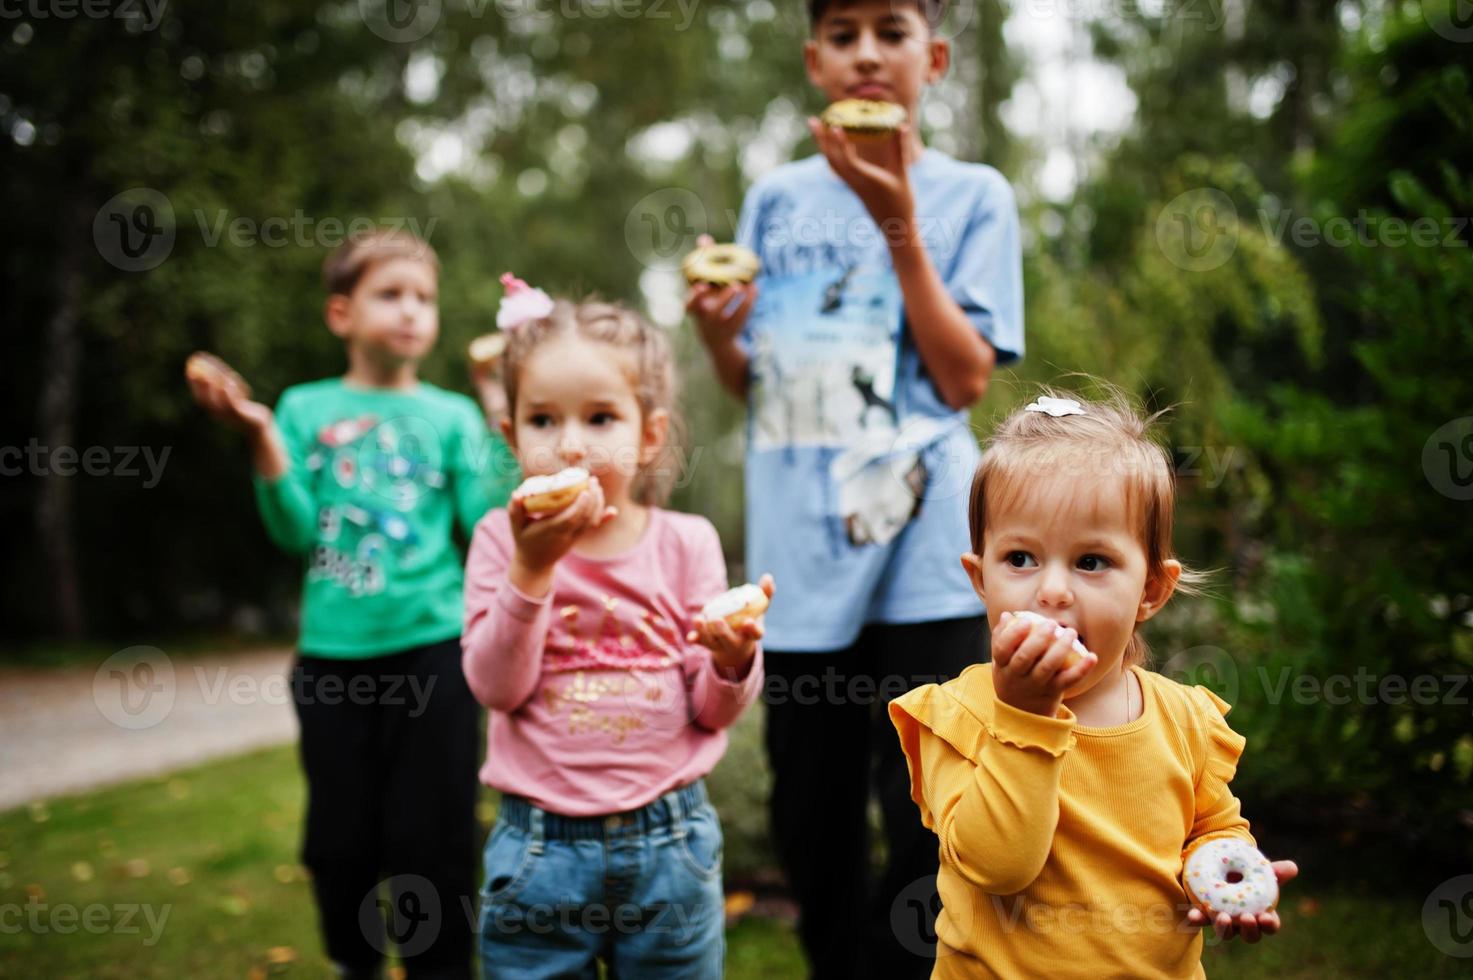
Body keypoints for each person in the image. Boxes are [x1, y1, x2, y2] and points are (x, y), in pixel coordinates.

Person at [685, 1, 1023, 975]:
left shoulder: (973, 194)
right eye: (843, 34)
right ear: (814, 61)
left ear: (937, 57)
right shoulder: (776, 199)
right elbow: (760, 384)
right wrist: (716, 332)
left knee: (929, 807)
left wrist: (897, 225)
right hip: (802, 550)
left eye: (892, 29)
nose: (867, 52)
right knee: (810, 805)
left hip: (927, 549)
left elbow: (963, 380)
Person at [187, 229, 518, 979]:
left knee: (432, 836)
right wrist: (262, 434)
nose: (410, 311)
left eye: (424, 299)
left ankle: (440, 969)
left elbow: (483, 522)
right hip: (334, 660)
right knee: (340, 840)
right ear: (341, 314)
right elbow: (294, 530)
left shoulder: (453, 418)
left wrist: (496, 401)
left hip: (434, 652)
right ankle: (353, 960)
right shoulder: (305, 407)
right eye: (390, 294)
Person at [889, 388, 1299, 977]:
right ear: (980, 580)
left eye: (1090, 562)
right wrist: (1026, 715)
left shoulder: (1185, 721)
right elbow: (997, 865)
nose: (1052, 590)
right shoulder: (958, 716)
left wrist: (1223, 865)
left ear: (1151, 591)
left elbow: (1211, 826)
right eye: (1021, 558)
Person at [462, 284, 771, 979]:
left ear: (649, 434)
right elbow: (496, 688)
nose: (569, 443)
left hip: (670, 845)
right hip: (539, 849)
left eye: (600, 417)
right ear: (511, 433)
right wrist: (532, 569)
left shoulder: (686, 542)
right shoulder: (499, 542)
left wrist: (731, 662)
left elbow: (709, 711)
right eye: (543, 420)